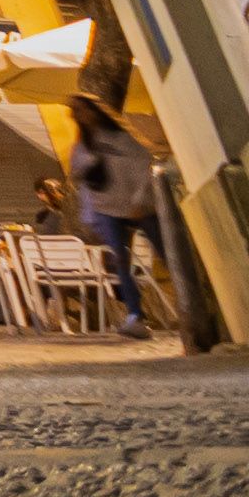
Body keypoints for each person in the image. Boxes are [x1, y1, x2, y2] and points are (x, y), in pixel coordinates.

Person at [69, 92, 160, 338]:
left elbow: (143, 165)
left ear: (94, 110)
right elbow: (80, 180)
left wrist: (140, 199)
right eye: (74, 111)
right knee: (119, 260)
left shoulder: (121, 138)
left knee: (164, 251)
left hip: (137, 206)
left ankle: (196, 300)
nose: (77, 114)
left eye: (80, 109)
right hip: (106, 209)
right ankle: (135, 315)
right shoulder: (82, 147)